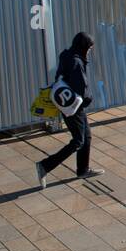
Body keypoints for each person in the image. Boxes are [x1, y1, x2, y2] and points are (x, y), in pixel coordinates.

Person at [36, 32, 104, 187]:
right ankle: (45, 166)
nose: (89, 51)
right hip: (74, 107)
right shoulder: (76, 62)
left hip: (67, 103)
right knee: (78, 141)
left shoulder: (67, 55)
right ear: (84, 47)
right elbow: (81, 88)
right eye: (89, 48)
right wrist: (88, 99)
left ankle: (83, 170)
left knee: (86, 136)